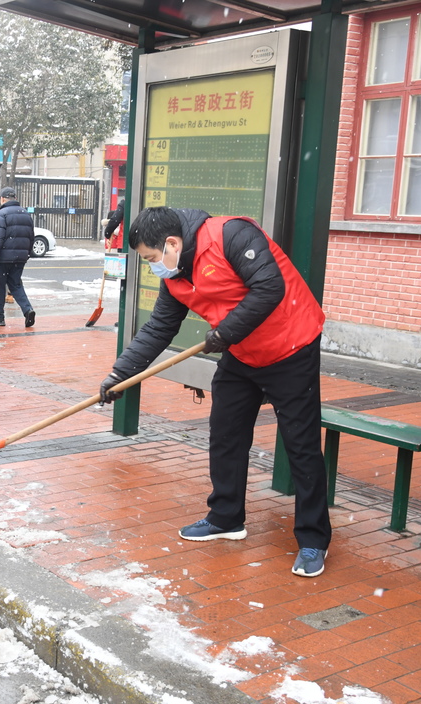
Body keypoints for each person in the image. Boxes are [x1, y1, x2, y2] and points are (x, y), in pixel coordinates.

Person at [100, 206, 331, 578]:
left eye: (151, 258)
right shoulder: (175, 275)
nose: (152, 266)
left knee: (300, 445)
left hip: (290, 345)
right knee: (225, 433)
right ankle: (226, 516)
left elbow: (271, 286)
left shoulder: (231, 236)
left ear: (172, 243)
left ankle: (313, 539)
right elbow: (160, 328)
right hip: (241, 350)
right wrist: (119, 374)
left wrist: (225, 333)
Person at [0, 186, 36, 329]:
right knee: (16, 285)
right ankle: (27, 309)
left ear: (2, 199)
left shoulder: (1, 214)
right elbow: (30, 237)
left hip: (3, 258)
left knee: (0, 287)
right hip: (19, 258)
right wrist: (26, 254)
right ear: (15, 198)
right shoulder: (26, 214)